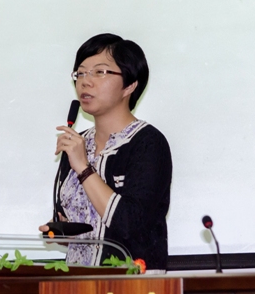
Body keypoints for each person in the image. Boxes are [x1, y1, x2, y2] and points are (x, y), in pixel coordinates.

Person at [39, 33, 172, 271]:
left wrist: (83, 167)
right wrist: (63, 229)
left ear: (130, 85)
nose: (85, 82)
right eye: (80, 73)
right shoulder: (78, 144)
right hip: (78, 281)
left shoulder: (148, 143)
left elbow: (129, 224)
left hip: (133, 282)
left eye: (99, 72)